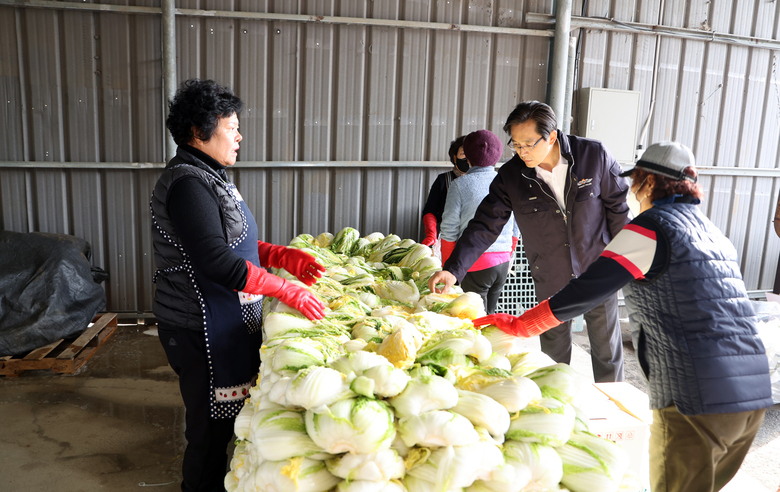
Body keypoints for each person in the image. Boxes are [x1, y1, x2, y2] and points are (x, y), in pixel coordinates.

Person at [473, 141, 773, 492]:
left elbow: (589, 288)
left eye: (635, 183)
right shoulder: (713, 233)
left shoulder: (650, 229)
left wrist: (523, 324)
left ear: (647, 183)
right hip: (751, 396)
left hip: (697, 397)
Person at [150, 79, 326, 492]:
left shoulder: (210, 175)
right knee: (209, 435)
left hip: (221, 319)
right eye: (232, 127)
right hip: (198, 326)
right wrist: (284, 289)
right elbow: (214, 260)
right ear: (200, 132)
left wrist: (281, 256)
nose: (239, 136)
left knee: (225, 424)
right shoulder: (188, 184)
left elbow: (235, 243)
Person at [428, 101, 630, 382]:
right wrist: (453, 269)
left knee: (607, 350)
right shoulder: (512, 177)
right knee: (552, 354)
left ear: (551, 136)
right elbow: (485, 225)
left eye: (529, 144)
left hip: (597, 270)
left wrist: (626, 263)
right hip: (550, 275)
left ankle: (613, 414)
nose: (522, 152)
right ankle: (556, 409)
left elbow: (619, 210)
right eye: (516, 145)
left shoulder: (593, 156)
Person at [439, 129, 518, 314]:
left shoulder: (459, 185)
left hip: (474, 262)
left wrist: (449, 267)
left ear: (467, 157)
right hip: (503, 260)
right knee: (489, 314)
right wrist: (509, 252)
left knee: (473, 318)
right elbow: (515, 224)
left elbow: (449, 228)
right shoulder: (506, 182)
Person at [420, 136, 468, 248]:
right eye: (463, 154)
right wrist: (432, 234)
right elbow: (429, 211)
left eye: (471, 154)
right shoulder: (443, 180)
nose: (468, 158)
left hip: (473, 240)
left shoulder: (484, 181)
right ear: (455, 158)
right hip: (447, 238)